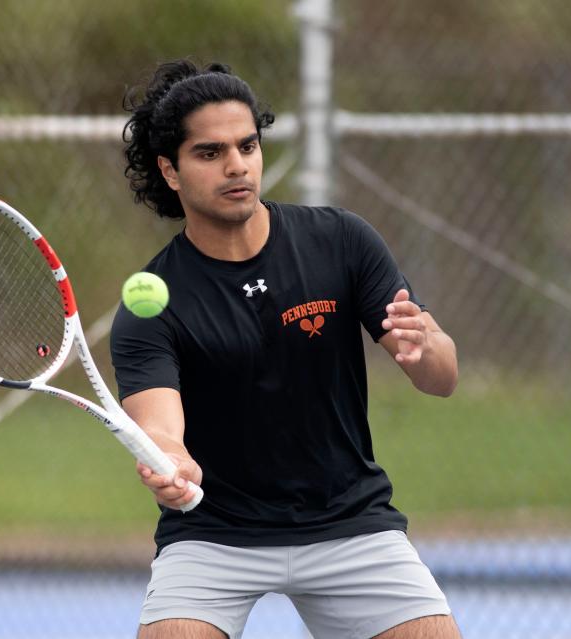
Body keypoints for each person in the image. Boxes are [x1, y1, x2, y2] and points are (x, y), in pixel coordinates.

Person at [112, 59, 461, 639]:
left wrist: (427, 346)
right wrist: (170, 459)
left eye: (248, 145)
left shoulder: (342, 241)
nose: (236, 165)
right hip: (214, 532)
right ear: (170, 171)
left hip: (350, 521)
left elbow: (442, 378)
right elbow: (160, 424)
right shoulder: (152, 303)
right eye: (210, 153)